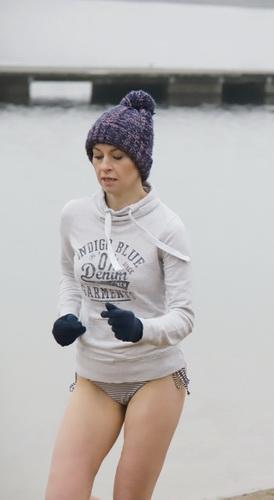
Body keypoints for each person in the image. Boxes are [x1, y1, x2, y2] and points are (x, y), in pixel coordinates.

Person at [46, 90, 194, 500]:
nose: (104, 167)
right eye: (97, 155)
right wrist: (65, 315)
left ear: (139, 162)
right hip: (94, 377)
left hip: (155, 378)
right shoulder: (75, 215)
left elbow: (184, 316)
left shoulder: (167, 227)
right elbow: (69, 276)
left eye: (117, 156)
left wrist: (141, 328)